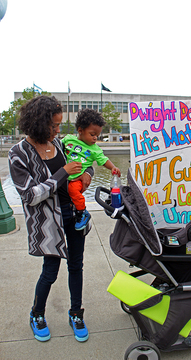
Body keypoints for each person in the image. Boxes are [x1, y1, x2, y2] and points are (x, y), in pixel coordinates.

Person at [8, 96, 92, 343]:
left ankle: (76, 312)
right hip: (47, 221)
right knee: (50, 271)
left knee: (76, 266)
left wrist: (87, 172)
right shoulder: (18, 154)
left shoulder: (61, 144)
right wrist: (62, 173)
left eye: (58, 125)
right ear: (37, 123)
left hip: (73, 214)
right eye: (53, 126)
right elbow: (30, 196)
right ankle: (37, 314)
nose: (57, 131)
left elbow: (86, 160)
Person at [62, 108, 121, 231]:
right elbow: (56, 147)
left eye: (97, 135)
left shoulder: (95, 149)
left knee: (73, 190)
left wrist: (113, 167)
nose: (95, 138)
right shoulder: (68, 139)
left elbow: (103, 159)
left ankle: (82, 212)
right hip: (66, 175)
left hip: (77, 179)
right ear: (80, 131)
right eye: (92, 134)